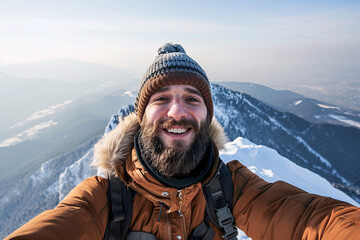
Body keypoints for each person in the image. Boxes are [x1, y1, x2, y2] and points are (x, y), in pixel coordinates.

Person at [5, 43, 360, 240]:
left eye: (192, 98)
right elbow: (60, 226)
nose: (178, 111)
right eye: (160, 99)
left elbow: (313, 219)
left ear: (206, 116)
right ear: (140, 116)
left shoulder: (231, 187)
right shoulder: (101, 199)